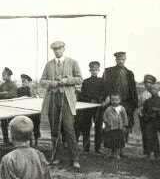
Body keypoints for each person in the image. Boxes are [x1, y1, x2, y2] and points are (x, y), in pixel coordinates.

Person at [39, 41, 83, 169]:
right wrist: (50, 83)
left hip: (67, 100)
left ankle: (74, 158)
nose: (57, 51)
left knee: (69, 128)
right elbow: (42, 81)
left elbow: (80, 79)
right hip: (52, 99)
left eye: (59, 49)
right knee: (55, 129)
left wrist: (67, 80)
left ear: (64, 49)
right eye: (55, 49)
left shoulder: (72, 62)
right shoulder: (49, 64)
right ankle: (58, 156)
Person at [102, 51, 138, 139]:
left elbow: (133, 89)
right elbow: (105, 87)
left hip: (126, 102)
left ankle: (123, 142)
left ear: (125, 60)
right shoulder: (109, 71)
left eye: (122, 59)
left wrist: (134, 103)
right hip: (113, 102)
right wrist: (107, 98)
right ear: (116, 60)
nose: (120, 61)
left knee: (125, 122)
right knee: (112, 123)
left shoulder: (129, 73)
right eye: (119, 59)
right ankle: (110, 142)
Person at [75, 61, 108, 154]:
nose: (94, 71)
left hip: (98, 108)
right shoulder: (86, 81)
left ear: (98, 70)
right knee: (86, 127)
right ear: (90, 70)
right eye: (92, 70)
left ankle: (98, 148)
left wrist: (99, 100)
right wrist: (89, 100)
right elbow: (83, 94)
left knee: (98, 128)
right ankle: (86, 147)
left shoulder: (102, 81)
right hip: (88, 107)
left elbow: (104, 93)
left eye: (96, 70)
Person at [139, 74, 160, 160]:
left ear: (157, 90)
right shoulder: (146, 99)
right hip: (150, 121)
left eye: (154, 89)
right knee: (152, 137)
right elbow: (143, 109)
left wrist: (158, 111)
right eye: (151, 89)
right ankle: (155, 154)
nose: (152, 91)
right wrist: (146, 116)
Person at [0, 67, 18, 145]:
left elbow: (11, 95)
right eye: (2, 75)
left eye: (4, 75)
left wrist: (3, 94)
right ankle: (6, 141)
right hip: (3, 107)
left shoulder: (13, 85)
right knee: (3, 124)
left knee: (12, 124)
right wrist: (3, 93)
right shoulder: (1, 85)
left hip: (11, 107)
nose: (3, 76)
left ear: (9, 75)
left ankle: (14, 140)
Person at [17, 74, 41, 146]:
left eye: (24, 81)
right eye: (22, 81)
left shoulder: (33, 90)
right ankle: (28, 141)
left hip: (34, 112)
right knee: (26, 127)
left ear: (28, 82)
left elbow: (37, 100)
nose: (23, 82)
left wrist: (36, 96)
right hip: (24, 111)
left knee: (36, 126)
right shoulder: (19, 90)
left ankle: (36, 142)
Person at [103, 94, 128, 160]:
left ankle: (117, 154)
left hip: (119, 128)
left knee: (118, 141)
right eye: (113, 100)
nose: (114, 101)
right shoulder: (108, 109)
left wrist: (125, 125)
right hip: (111, 128)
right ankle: (109, 153)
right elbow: (104, 116)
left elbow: (125, 117)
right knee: (110, 141)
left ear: (119, 100)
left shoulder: (122, 108)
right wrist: (106, 121)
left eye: (116, 100)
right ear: (110, 100)